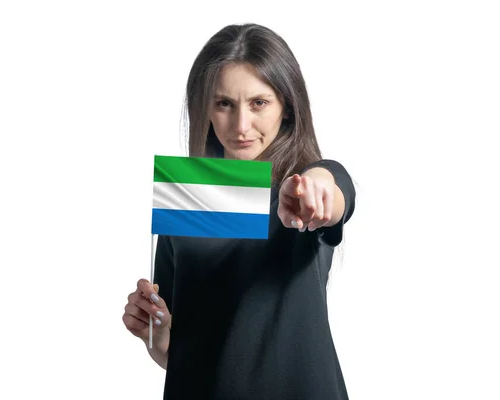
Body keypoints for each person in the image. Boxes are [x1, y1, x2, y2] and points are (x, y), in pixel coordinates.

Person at [122, 23, 356, 400]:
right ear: (206, 109)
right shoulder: (188, 198)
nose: (241, 125)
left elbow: (335, 190)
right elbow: (186, 352)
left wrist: (318, 188)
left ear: (287, 106)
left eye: (258, 103)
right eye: (224, 104)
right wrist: (159, 336)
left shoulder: (302, 191)